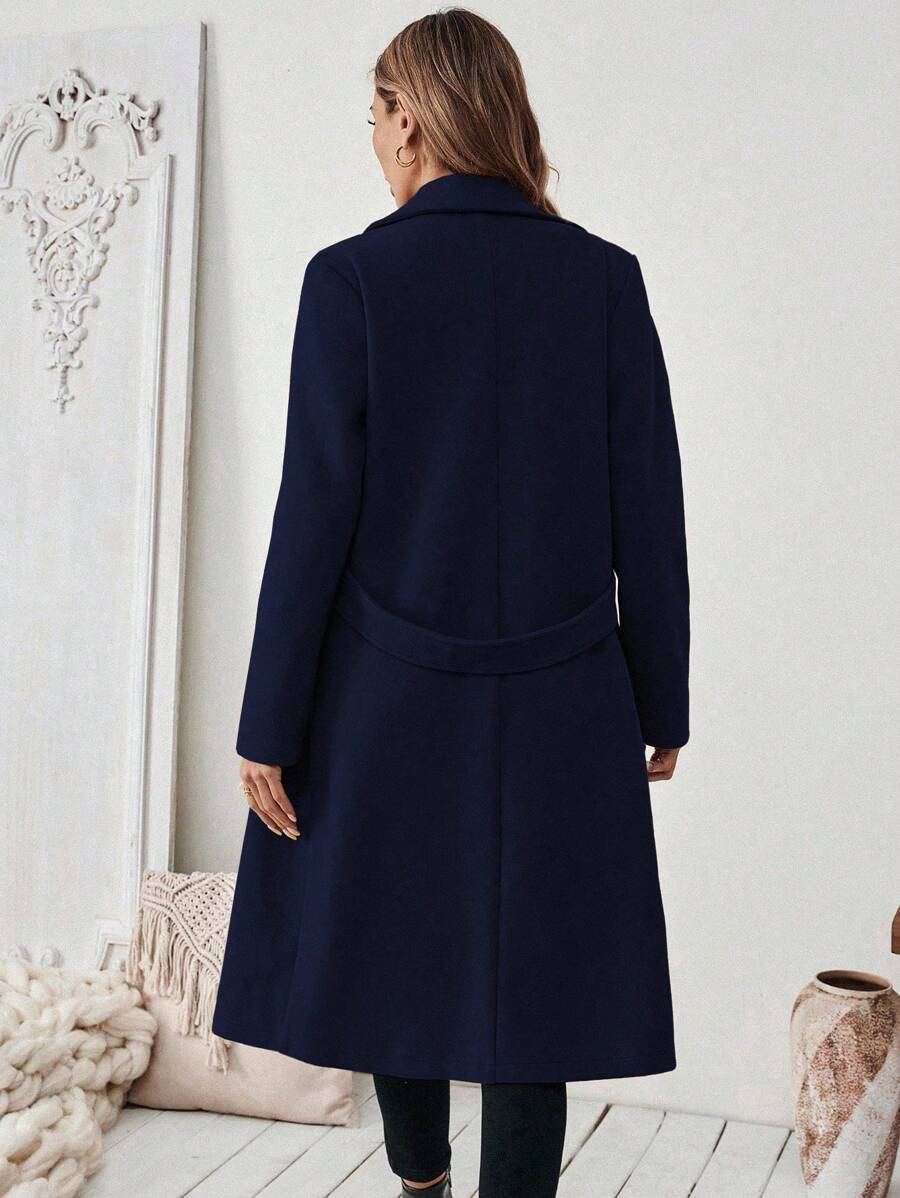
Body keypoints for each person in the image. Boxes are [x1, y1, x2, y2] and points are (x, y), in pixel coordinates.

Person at [211, 9, 690, 1196]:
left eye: (375, 114)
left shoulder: (351, 280)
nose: (374, 139)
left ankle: (418, 1180)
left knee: (394, 948)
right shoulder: (605, 280)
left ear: (412, 120)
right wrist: (661, 698)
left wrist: (270, 720)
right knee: (539, 988)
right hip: (567, 689)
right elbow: (650, 506)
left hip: (384, 689)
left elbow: (313, 517)